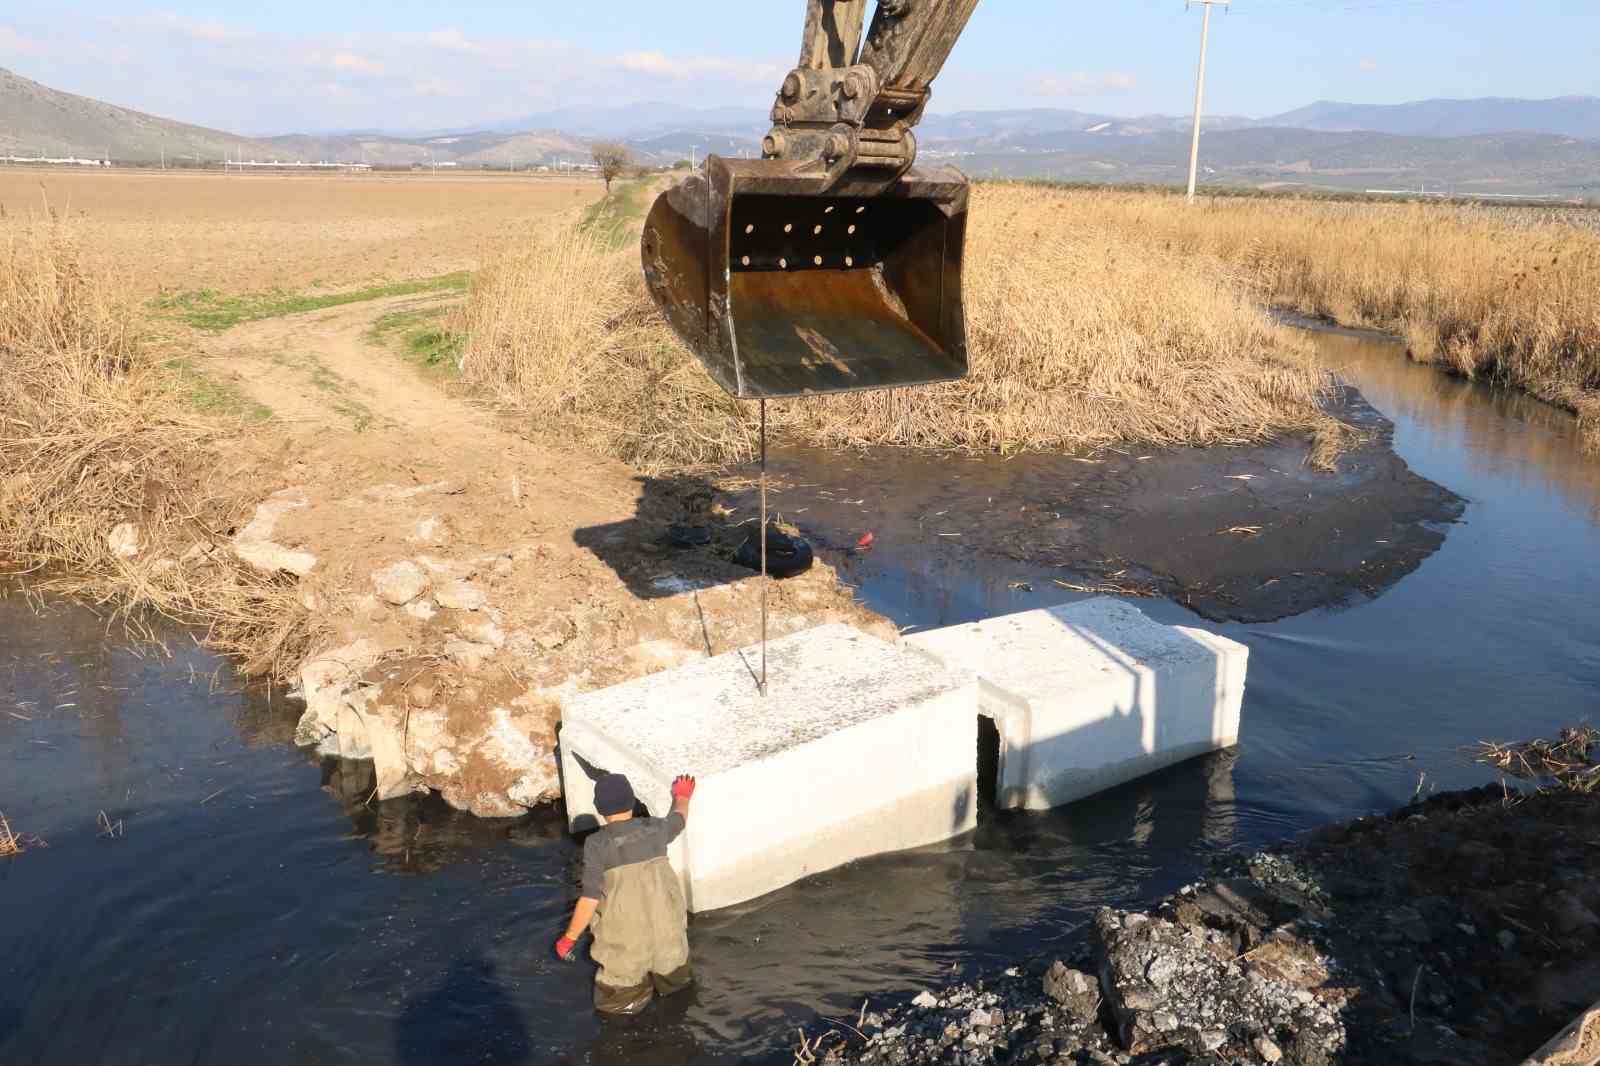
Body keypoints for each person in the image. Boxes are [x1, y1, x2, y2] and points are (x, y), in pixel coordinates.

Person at [555, 771, 697, 1014]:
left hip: (625, 945)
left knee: (618, 1007)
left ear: (599, 808)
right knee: (678, 998)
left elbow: (589, 899)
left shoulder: (597, 844)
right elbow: (680, 818)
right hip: (668, 936)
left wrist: (569, 938)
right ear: (632, 801)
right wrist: (682, 795)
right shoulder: (656, 828)